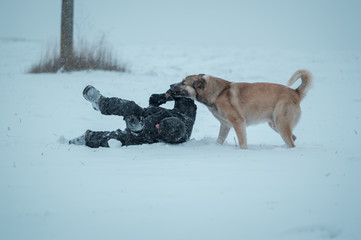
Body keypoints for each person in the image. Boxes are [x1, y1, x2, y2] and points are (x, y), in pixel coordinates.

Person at [69, 85, 197, 148]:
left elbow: (135, 138)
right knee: (130, 107)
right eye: (160, 123)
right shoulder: (186, 115)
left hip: (143, 127)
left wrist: (137, 130)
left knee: (120, 140)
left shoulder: (155, 136)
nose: (157, 125)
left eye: (159, 129)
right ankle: (101, 103)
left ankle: (88, 138)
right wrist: (167, 95)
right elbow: (185, 92)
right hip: (150, 112)